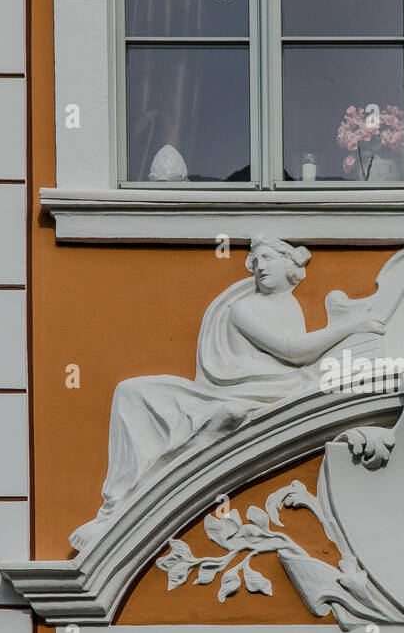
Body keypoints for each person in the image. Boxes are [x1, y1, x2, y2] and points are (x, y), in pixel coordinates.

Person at [70, 235, 385, 551]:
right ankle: (115, 507)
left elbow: (293, 355)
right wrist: (350, 326)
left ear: (290, 266)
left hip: (266, 390)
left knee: (150, 397)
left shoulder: (288, 306)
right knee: (131, 393)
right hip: (239, 390)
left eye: (268, 258)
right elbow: (290, 351)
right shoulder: (244, 308)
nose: (260, 266)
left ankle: (137, 493)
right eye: (256, 261)